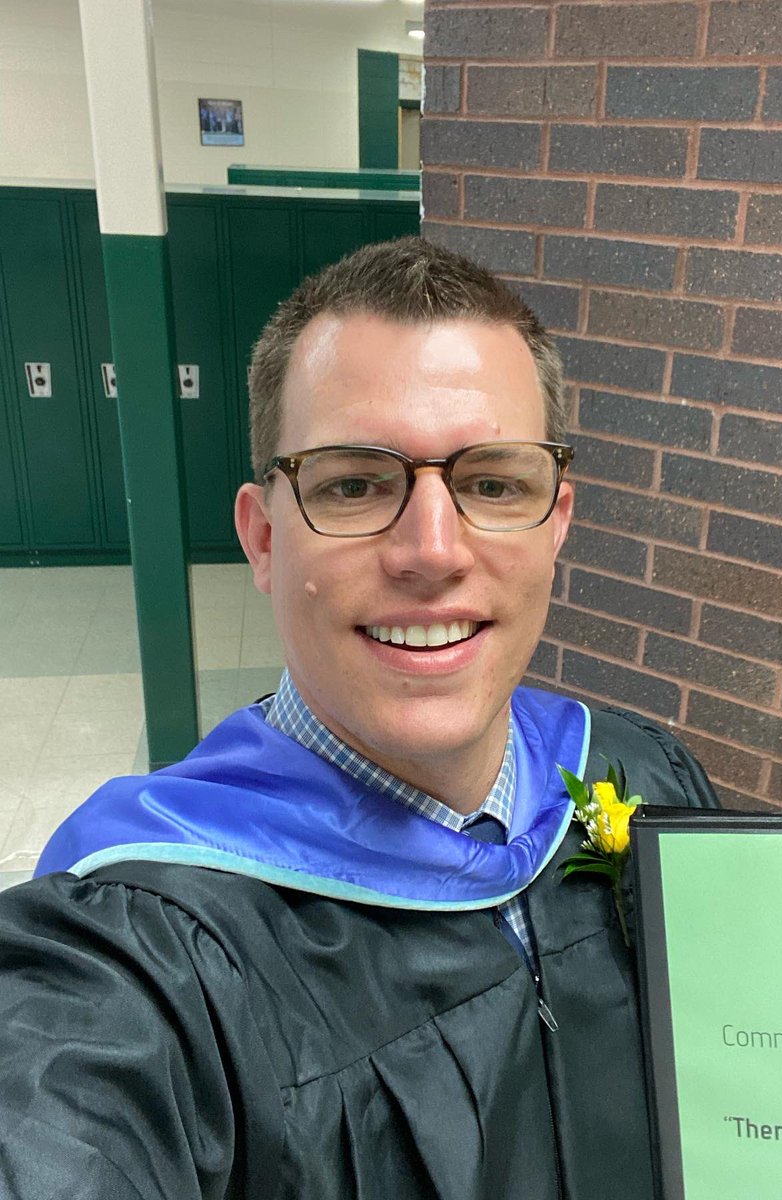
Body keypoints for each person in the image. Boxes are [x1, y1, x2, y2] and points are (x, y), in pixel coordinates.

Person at [0, 238, 718, 1199]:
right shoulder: (147, 947)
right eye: (353, 484)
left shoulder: (643, 775)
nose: (432, 551)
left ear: (558, 524)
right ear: (262, 537)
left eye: (494, 484)